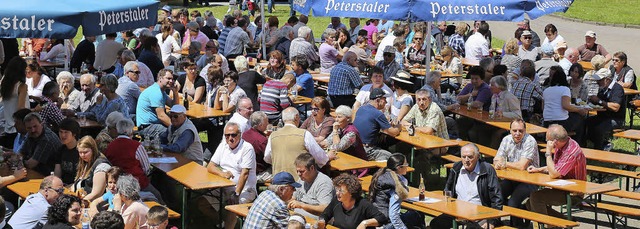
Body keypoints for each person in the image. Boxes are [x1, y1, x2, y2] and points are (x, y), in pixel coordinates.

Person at [430, 143, 503, 229]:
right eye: (463, 157)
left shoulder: (487, 169)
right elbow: (448, 190)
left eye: (470, 157)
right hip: (457, 212)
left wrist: (492, 221)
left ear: (478, 156)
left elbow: (497, 198)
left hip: (480, 215)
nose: (466, 160)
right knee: (436, 223)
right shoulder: (456, 168)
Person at [527, 124, 586, 218]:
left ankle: (548, 225)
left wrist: (548, 153)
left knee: (536, 198)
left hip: (573, 192)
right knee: (530, 203)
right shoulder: (562, 145)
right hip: (561, 188)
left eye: (547, 140)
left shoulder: (571, 152)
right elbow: (555, 168)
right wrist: (538, 169)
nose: (546, 142)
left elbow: (554, 173)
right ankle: (563, 222)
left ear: (555, 141)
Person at [206, 122, 257, 229]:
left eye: (233, 135)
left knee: (233, 207)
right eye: (227, 135)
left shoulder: (247, 148)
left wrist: (236, 194)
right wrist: (222, 174)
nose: (230, 138)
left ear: (240, 134)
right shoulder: (223, 145)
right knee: (202, 202)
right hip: (223, 186)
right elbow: (210, 166)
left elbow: (245, 174)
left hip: (244, 189)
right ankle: (221, 224)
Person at [493, 119, 540, 227]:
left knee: (513, 203)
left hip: (530, 180)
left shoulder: (530, 141)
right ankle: (496, 222)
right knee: (495, 194)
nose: (517, 134)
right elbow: (496, 159)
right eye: (514, 130)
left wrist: (504, 163)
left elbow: (522, 166)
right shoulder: (506, 139)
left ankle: (517, 226)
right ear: (510, 130)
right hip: (512, 178)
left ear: (525, 131)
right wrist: (498, 163)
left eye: (520, 131)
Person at [264, 107, 333, 180]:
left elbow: (267, 157)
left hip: (279, 180)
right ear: (296, 117)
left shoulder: (273, 136)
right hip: (299, 182)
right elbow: (320, 158)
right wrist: (328, 156)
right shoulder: (304, 134)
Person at [105, 119, 162, 202]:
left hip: (117, 184)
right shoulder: (137, 146)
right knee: (157, 195)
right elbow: (146, 168)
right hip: (137, 184)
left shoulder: (110, 146)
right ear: (130, 131)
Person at [370, 154, 424, 229]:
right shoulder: (395, 185)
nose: (407, 166)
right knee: (418, 215)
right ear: (399, 168)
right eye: (406, 164)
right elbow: (393, 215)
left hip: (376, 217)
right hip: (385, 223)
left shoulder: (382, 175)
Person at [318, 173, 387, 229]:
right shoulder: (336, 201)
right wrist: (322, 221)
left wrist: (365, 223)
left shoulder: (363, 204)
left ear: (351, 192)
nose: (337, 193)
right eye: (337, 189)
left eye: (341, 191)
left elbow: (382, 219)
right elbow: (325, 214)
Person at [353, 88, 401, 161]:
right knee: (393, 159)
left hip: (355, 147)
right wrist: (399, 127)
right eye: (384, 99)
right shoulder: (378, 114)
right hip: (367, 150)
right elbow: (393, 133)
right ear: (378, 100)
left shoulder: (361, 108)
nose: (386, 101)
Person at [542, 68, 588, 143]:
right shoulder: (565, 89)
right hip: (561, 122)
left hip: (547, 122)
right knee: (580, 121)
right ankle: (579, 144)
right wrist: (579, 110)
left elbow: (543, 107)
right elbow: (566, 106)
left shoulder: (546, 90)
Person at [585, 70, 625, 150]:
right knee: (585, 122)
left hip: (616, 119)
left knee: (599, 128)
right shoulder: (602, 88)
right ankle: (601, 144)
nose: (597, 82)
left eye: (599, 80)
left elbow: (616, 107)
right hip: (602, 116)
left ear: (607, 79)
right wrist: (592, 100)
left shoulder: (617, 89)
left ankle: (598, 149)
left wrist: (599, 101)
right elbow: (599, 102)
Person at [136, 69, 179, 139]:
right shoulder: (156, 92)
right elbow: (161, 116)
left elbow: (175, 106)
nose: (171, 81)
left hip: (155, 124)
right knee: (173, 135)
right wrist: (177, 127)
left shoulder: (161, 92)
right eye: (168, 78)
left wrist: (175, 92)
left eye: (172, 79)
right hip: (146, 127)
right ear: (160, 78)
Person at [0, 57, 28, 149]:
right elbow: (21, 109)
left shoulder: (4, 84)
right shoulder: (22, 86)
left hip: (8, 126)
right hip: (19, 128)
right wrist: (36, 109)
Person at [73, 136, 111, 202]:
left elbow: (96, 193)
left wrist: (77, 202)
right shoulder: (86, 162)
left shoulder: (101, 165)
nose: (82, 155)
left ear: (93, 150)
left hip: (96, 207)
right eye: (80, 152)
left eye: (85, 152)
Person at [242, 111, 271, 182]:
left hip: (245, 168)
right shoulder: (261, 140)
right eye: (266, 122)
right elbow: (269, 158)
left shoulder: (245, 134)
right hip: (258, 172)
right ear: (260, 125)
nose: (268, 124)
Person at [53, 118, 80, 185]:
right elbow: (57, 174)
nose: (63, 135)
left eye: (66, 132)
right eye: (61, 132)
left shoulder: (82, 151)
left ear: (74, 134)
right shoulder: (60, 150)